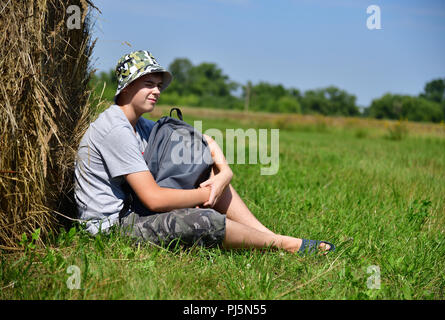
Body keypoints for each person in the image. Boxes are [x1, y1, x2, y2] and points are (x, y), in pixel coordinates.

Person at [74, 50, 335, 255]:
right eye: (149, 83)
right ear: (127, 86)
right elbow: (153, 199)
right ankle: (283, 245)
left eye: (159, 85)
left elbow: (203, 141)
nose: (157, 91)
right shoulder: (115, 130)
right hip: (113, 228)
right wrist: (206, 194)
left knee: (200, 168)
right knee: (204, 220)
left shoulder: (138, 124)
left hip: (133, 210)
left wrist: (224, 174)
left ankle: (270, 236)